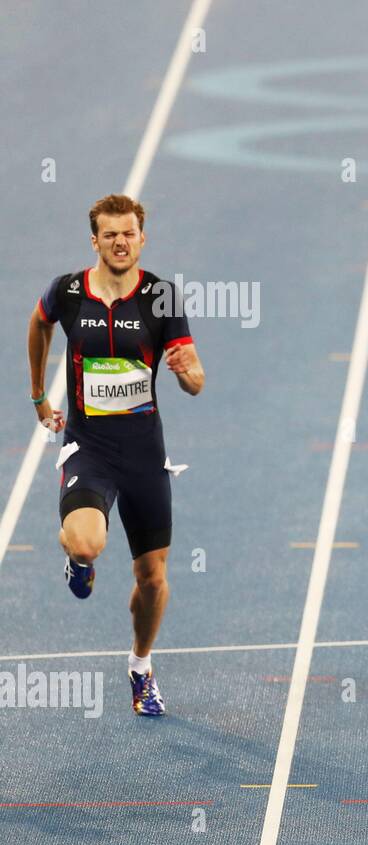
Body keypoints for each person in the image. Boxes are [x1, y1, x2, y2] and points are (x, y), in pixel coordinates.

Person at [27, 194, 205, 716]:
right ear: (95, 241)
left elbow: (196, 379)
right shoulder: (67, 292)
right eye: (110, 235)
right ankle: (76, 563)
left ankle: (140, 666)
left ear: (141, 238)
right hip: (90, 448)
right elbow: (37, 326)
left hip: (145, 453)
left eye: (128, 234)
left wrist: (185, 373)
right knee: (86, 544)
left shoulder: (162, 297)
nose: (120, 242)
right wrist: (39, 394)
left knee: (152, 579)